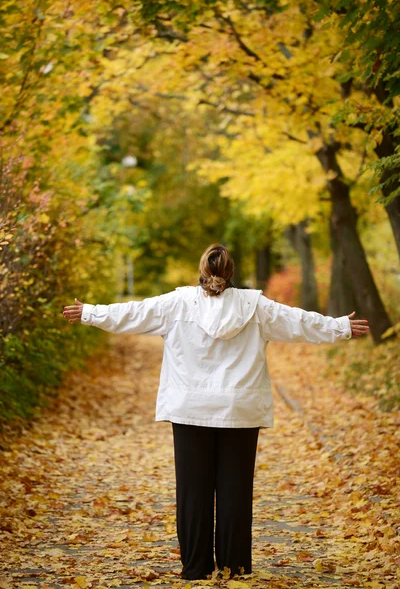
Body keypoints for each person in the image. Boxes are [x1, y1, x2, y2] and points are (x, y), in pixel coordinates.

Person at [63, 243, 369, 581]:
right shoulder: (255, 306)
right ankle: (233, 566)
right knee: (235, 490)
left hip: (190, 409)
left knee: (192, 491)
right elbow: (298, 322)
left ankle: (195, 567)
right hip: (239, 409)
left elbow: (133, 313)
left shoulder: (176, 303)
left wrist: (91, 312)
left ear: (203, 271)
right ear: (231, 272)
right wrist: (339, 326)